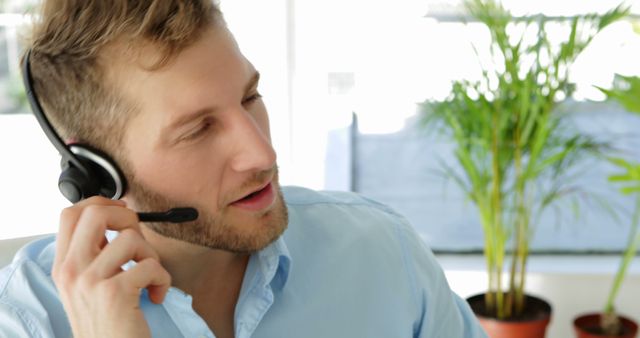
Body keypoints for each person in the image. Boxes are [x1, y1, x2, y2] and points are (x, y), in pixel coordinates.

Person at [0, 1, 487, 337]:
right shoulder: (25, 321)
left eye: (250, 97)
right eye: (197, 130)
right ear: (95, 171)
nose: (262, 154)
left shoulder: (381, 251)